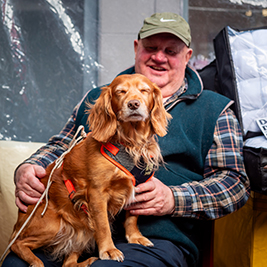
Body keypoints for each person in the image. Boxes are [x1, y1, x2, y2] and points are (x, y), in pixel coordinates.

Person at [2, 12, 250, 267]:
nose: (159, 57)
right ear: (136, 49)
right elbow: (60, 146)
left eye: (171, 51)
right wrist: (28, 168)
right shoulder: (100, 97)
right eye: (150, 48)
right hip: (75, 229)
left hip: (155, 240)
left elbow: (235, 185)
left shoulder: (215, 109)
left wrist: (174, 199)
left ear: (187, 56)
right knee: (15, 266)